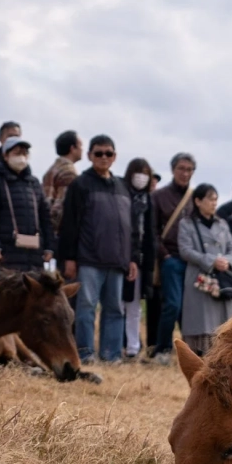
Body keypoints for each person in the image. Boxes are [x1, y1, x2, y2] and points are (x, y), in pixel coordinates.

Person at [58, 134, 137, 364]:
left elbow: (131, 228)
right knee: (85, 308)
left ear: (115, 157)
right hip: (89, 259)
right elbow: (69, 224)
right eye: (98, 153)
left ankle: (111, 355)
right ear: (90, 155)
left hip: (118, 261)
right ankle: (85, 352)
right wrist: (69, 258)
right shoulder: (80, 184)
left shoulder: (123, 186)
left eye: (108, 153)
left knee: (115, 309)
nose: (104, 157)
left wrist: (132, 258)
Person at [177, 183, 232, 356]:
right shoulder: (186, 224)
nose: (214, 203)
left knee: (221, 319)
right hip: (200, 278)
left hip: (222, 277)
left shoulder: (222, 224)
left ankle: (221, 352)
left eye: (216, 199)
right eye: (210, 199)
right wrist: (211, 261)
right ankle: (198, 352)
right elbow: (185, 250)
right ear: (197, 201)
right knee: (201, 318)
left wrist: (227, 261)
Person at [0, 135, 53, 272]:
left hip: (33, 256)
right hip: (4, 256)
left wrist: (49, 246)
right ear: (6, 156)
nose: (21, 157)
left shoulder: (34, 183)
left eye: (25, 153)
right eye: (17, 153)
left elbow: (45, 218)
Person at [150, 152, 197, 364]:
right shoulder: (159, 196)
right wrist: (165, 255)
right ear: (172, 170)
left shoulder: (196, 197)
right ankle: (162, 348)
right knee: (172, 305)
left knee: (190, 308)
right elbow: (152, 231)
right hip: (171, 259)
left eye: (189, 169)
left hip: (192, 260)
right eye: (181, 168)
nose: (185, 173)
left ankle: (190, 352)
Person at [122, 157, 156, 360]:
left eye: (145, 172)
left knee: (134, 307)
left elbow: (151, 234)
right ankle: (117, 344)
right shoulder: (123, 195)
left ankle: (133, 347)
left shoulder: (148, 200)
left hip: (143, 260)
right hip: (121, 257)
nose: (141, 177)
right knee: (118, 306)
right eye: (138, 172)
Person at [42, 129, 81, 233]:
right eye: (80, 146)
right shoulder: (68, 172)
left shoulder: (51, 170)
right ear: (73, 148)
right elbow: (62, 206)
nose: (82, 150)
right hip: (58, 234)